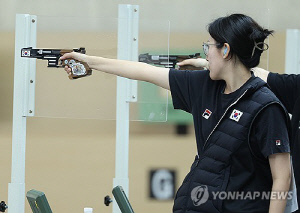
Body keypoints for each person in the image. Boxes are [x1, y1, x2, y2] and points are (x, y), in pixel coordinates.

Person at [60, 14, 292, 213]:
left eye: (208, 46)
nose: (206, 54)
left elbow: (282, 178)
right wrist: (88, 60)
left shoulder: (267, 107)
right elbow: (144, 71)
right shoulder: (203, 85)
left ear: (226, 50)